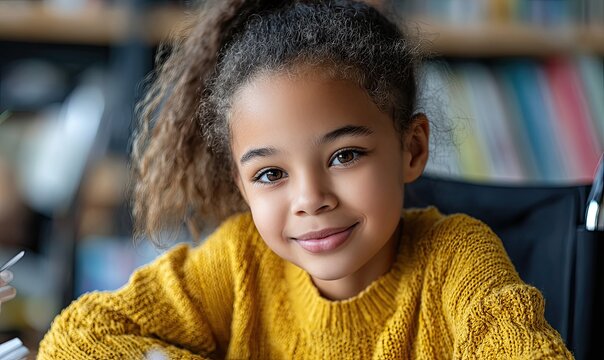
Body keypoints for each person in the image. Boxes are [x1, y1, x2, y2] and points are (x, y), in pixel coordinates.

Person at [38, 0, 573, 358]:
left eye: (344, 156)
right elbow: (79, 336)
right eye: (270, 173)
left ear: (412, 149)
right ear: (242, 185)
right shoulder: (238, 261)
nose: (310, 199)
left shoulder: (457, 261)